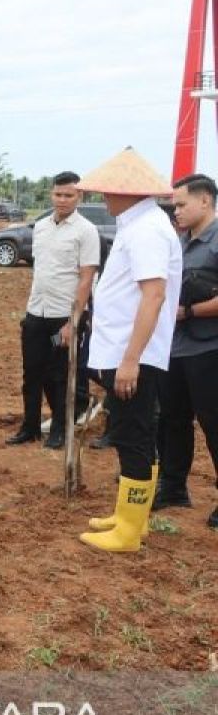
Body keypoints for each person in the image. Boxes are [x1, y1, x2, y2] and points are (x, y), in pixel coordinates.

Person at [81, 148, 182, 552]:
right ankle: (130, 518)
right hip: (124, 352)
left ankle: (128, 530)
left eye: (107, 191)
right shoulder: (137, 225)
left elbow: (153, 296)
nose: (102, 198)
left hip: (132, 355)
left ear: (128, 192)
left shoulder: (148, 230)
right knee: (134, 435)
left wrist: (130, 360)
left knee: (133, 436)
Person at [6, 172, 100, 450]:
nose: (62, 200)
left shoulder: (86, 231)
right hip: (37, 311)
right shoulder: (42, 227)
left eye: (68, 195)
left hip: (64, 315)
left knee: (61, 375)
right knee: (32, 372)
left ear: (79, 197)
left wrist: (74, 322)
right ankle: (30, 426)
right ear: (51, 194)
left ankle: (60, 427)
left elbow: (86, 278)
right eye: (58, 194)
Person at [154, 173, 218, 529]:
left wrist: (190, 311)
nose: (174, 211)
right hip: (175, 348)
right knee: (172, 420)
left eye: (180, 204)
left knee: (214, 422)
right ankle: (173, 486)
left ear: (205, 200)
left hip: (209, 347)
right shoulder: (179, 242)